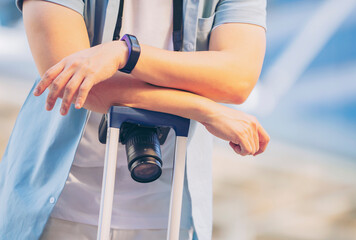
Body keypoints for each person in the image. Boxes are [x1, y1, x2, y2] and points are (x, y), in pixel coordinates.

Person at [0, 0, 269, 239]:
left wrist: (126, 53)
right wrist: (203, 109)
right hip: (58, 203)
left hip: (172, 212)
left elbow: (238, 79)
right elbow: (70, 80)